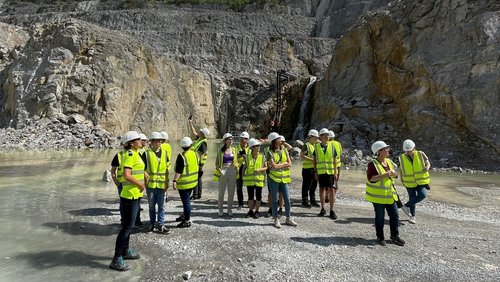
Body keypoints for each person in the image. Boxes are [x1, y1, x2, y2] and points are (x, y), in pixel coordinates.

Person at [109, 131, 145, 271]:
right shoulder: (130, 154)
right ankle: (117, 258)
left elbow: (137, 169)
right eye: (137, 139)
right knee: (126, 227)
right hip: (129, 195)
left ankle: (125, 251)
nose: (140, 141)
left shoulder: (135, 154)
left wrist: (145, 175)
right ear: (131, 143)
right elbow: (127, 175)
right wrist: (140, 184)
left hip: (134, 195)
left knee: (129, 226)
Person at [366, 141, 406, 246]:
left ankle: (395, 236)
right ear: (379, 152)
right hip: (378, 198)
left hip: (390, 195)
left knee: (395, 216)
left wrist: (394, 174)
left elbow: (395, 175)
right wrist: (385, 175)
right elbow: (371, 178)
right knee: (380, 217)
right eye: (385, 149)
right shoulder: (372, 164)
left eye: (387, 148)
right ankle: (380, 237)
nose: (388, 150)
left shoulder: (388, 161)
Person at [266, 132, 297, 228]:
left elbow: (290, 163)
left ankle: (288, 218)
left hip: (284, 179)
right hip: (274, 179)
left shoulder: (284, 150)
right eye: (279, 139)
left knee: (287, 199)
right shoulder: (269, 152)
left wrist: (281, 165)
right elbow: (273, 166)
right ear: (274, 141)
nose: (281, 140)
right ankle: (276, 219)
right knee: (275, 200)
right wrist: (284, 164)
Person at [398, 139, 431, 224]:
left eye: (410, 150)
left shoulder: (420, 154)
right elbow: (402, 170)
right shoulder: (401, 157)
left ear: (414, 148)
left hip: (421, 181)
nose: (408, 152)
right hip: (409, 182)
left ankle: (405, 206)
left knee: (423, 194)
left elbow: (428, 163)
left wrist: (427, 167)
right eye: (407, 151)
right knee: (412, 198)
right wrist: (402, 181)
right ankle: (412, 217)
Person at [172, 137, 199, 228]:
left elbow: (179, 170)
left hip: (184, 184)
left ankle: (187, 220)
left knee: (186, 202)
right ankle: (184, 215)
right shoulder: (195, 154)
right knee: (186, 202)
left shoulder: (181, 156)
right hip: (193, 182)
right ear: (191, 145)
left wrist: (174, 181)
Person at [145, 132, 169, 233]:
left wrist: (167, 182)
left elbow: (167, 169)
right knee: (151, 206)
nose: (160, 142)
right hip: (150, 185)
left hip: (161, 184)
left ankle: (160, 224)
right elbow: (141, 167)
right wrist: (144, 173)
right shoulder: (146, 153)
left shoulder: (164, 153)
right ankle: (152, 223)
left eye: (161, 140)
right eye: (157, 140)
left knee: (161, 206)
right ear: (152, 142)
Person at [314, 128, 338, 219]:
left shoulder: (332, 146)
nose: (327, 137)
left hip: (330, 172)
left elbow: (335, 160)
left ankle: (332, 210)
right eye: (325, 135)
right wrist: (315, 171)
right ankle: (323, 209)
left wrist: (336, 172)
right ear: (321, 137)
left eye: (328, 135)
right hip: (321, 172)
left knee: (331, 190)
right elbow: (315, 160)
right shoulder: (316, 147)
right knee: (321, 189)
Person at [214, 133, 239, 217]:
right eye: (229, 139)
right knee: (221, 192)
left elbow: (237, 160)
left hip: (232, 170)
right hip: (223, 170)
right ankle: (220, 209)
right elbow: (217, 163)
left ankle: (229, 209)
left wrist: (237, 166)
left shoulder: (234, 150)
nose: (231, 140)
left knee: (231, 191)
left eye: (232, 139)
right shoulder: (220, 150)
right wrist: (220, 170)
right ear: (225, 140)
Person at [242, 138, 267, 218]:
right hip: (250, 181)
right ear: (252, 147)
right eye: (257, 146)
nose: (259, 148)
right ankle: (250, 211)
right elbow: (244, 167)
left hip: (259, 180)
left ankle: (257, 211)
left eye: (259, 146)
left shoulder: (262, 157)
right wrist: (242, 176)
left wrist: (259, 170)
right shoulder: (247, 157)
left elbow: (266, 168)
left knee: (259, 196)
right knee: (250, 196)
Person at [188, 118, 209, 200]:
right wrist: (190, 122)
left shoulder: (203, 142)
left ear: (203, 134)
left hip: (198, 163)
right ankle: (197, 194)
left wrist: (198, 164)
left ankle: (196, 194)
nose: (199, 132)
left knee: (196, 178)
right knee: (198, 178)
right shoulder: (199, 139)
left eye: (201, 131)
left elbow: (202, 154)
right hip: (197, 162)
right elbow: (193, 132)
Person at [300, 129, 319, 208]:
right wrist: (312, 160)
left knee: (314, 185)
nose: (317, 139)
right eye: (315, 137)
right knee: (306, 186)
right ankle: (304, 201)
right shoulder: (306, 145)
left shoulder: (315, 145)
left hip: (314, 169)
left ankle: (312, 200)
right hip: (307, 169)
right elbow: (302, 156)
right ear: (311, 137)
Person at [110, 138, 127, 221]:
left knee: (135, 204)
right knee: (123, 203)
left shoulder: (137, 154)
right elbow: (113, 170)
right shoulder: (119, 155)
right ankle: (124, 221)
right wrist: (116, 182)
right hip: (122, 184)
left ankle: (135, 222)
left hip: (134, 184)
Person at [236, 131, 250, 210]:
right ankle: (240, 203)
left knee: (249, 186)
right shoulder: (236, 147)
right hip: (239, 169)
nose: (242, 140)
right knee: (239, 187)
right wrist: (239, 155)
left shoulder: (250, 148)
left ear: (247, 140)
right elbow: (233, 157)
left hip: (247, 169)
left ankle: (249, 201)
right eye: (241, 139)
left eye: (244, 139)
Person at [160, 131, 172, 203]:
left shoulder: (160, 146)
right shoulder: (168, 146)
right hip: (168, 165)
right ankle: (166, 195)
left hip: (161, 166)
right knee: (166, 180)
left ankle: (161, 195)